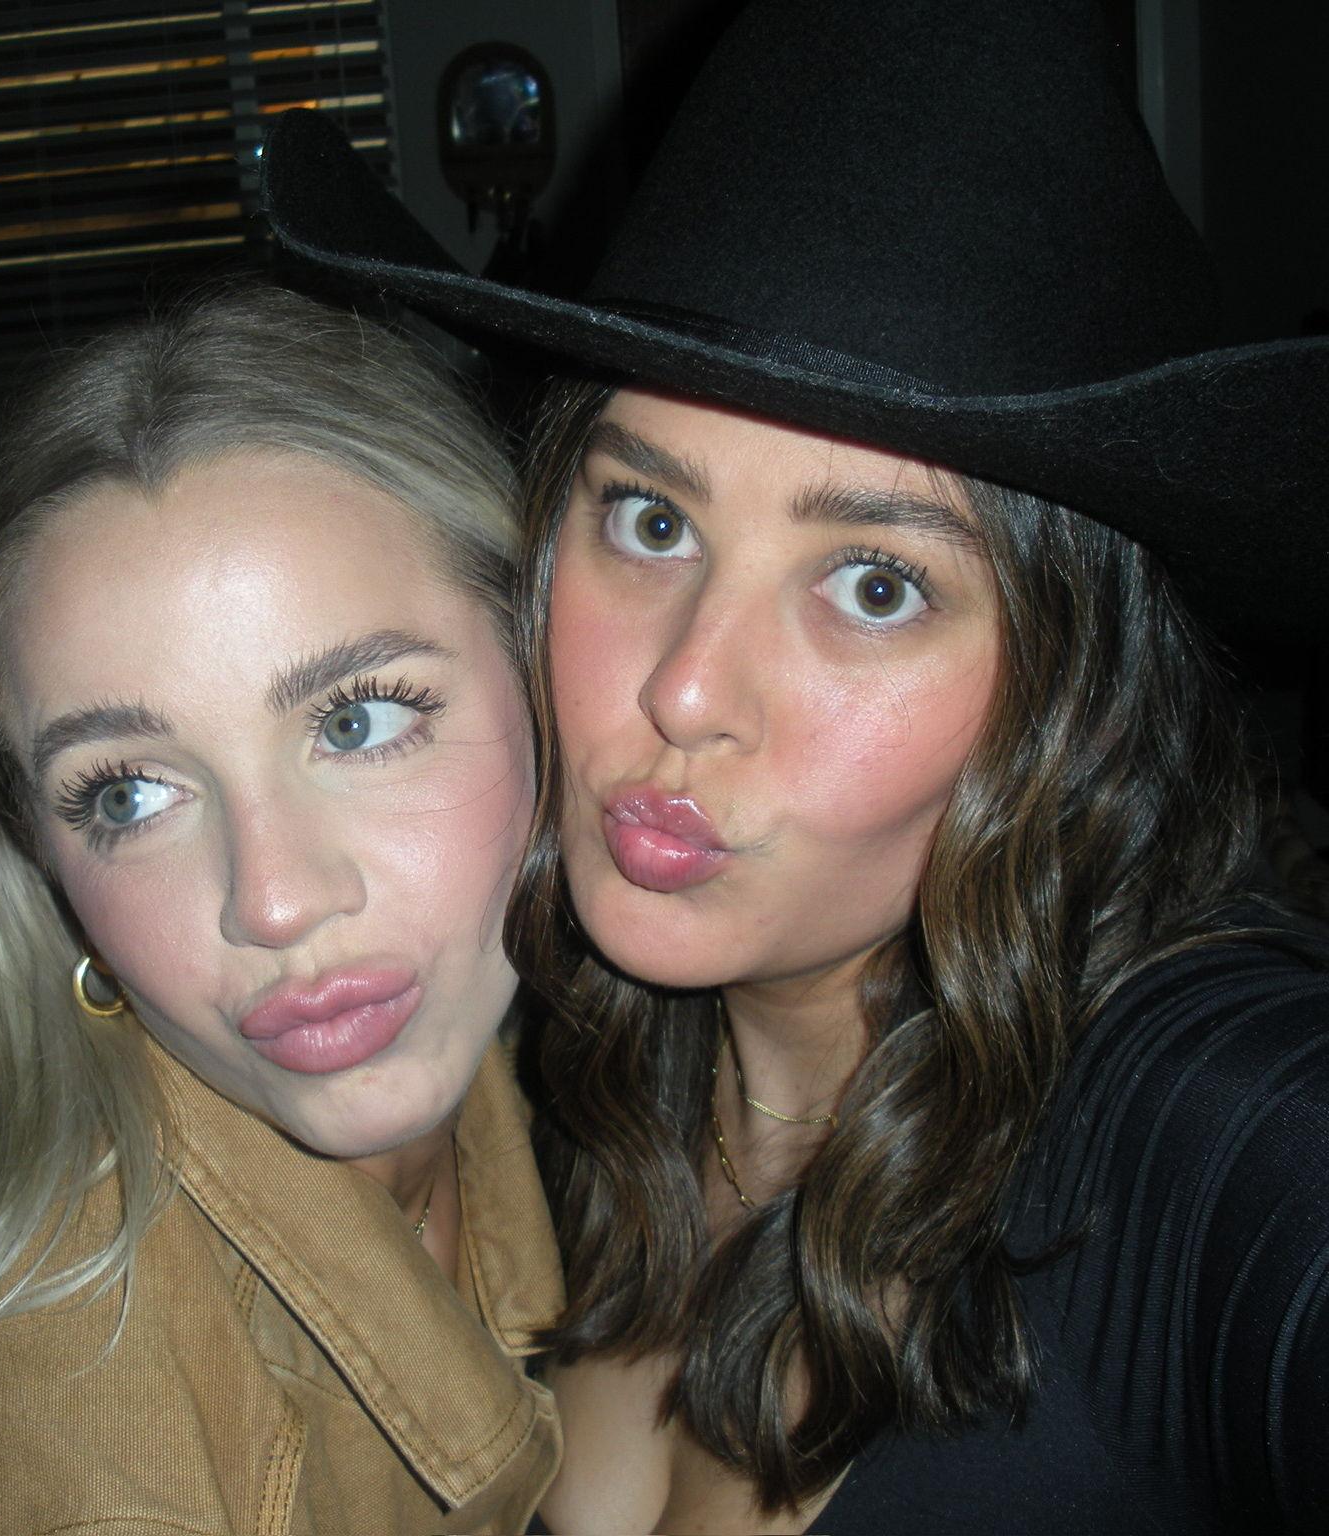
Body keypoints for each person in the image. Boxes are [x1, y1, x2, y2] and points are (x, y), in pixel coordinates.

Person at [261, 0, 1329, 1530]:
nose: (683, 687)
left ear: (1070, 689)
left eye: (874, 585)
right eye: (649, 521)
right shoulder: (526, 1077)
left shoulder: (1215, 1141)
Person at [0, 286, 561, 1534]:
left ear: (546, 677)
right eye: (129, 794)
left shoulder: (586, 1117)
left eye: (357, 722)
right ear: (42, 865)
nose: (274, 901)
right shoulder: (77, 1480)